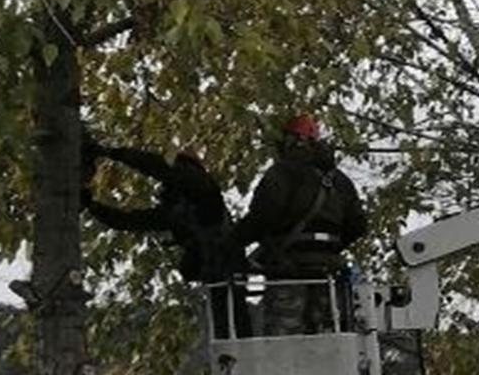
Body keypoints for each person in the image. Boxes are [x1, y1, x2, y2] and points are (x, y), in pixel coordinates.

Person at [82, 141, 250, 337]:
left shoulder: (202, 189)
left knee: (233, 322)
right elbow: (129, 221)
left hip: (226, 269)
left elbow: (157, 167)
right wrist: (92, 206)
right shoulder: (178, 210)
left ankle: (243, 358)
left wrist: (112, 152)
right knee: (224, 325)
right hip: (216, 271)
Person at [236, 115, 367, 335]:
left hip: (288, 272)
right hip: (328, 275)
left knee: (284, 348)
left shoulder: (282, 173)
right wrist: (330, 250)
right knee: (327, 341)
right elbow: (358, 226)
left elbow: (261, 218)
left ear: (293, 139)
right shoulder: (340, 181)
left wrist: (231, 242)